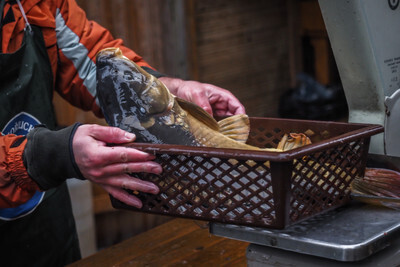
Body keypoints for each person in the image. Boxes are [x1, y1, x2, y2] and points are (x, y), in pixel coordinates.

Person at [0, 0, 245, 266]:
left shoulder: (34, 4)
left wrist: (165, 90)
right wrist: (51, 155)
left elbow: (92, 60)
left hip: (47, 230)